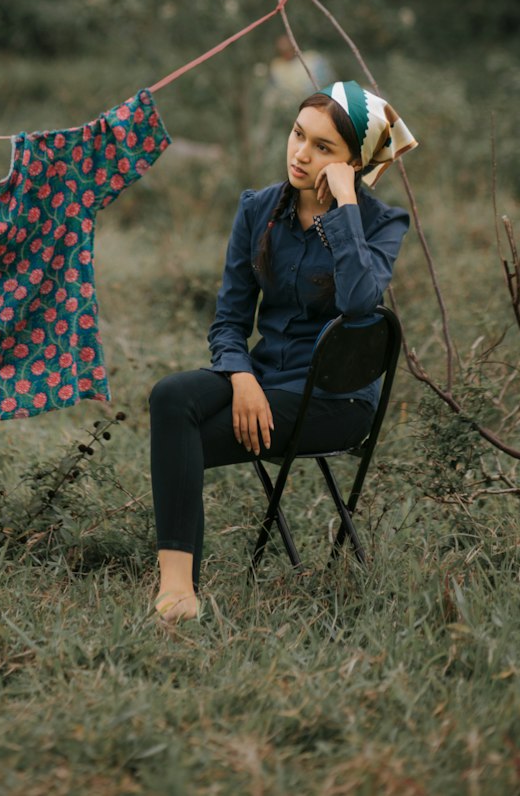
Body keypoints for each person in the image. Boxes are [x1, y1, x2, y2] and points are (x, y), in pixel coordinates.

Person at [148, 79, 417, 623]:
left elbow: (362, 306)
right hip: (265, 381)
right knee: (171, 397)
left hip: (334, 401)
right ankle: (176, 592)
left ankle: (180, 595)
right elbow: (229, 320)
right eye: (299, 135)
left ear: (353, 163)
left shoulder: (381, 223)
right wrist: (242, 380)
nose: (301, 153)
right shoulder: (259, 210)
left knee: (187, 441)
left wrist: (343, 205)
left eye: (323, 148)